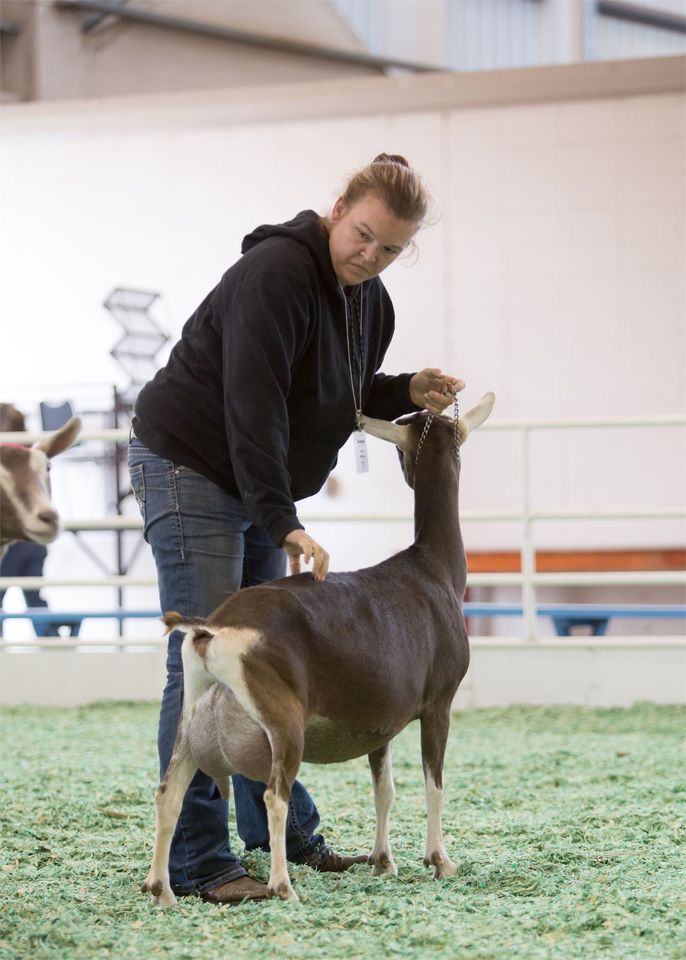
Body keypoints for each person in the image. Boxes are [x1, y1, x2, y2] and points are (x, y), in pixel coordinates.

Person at [128, 153, 463, 905]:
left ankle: (283, 833)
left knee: (264, 663)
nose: (370, 256)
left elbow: (335, 393)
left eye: (390, 250)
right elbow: (254, 404)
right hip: (188, 462)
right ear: (339, 206)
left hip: (252, 478)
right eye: (364, 235)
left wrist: (403, 388)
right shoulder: (275, 276)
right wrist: (281, 519)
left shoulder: (370, 302)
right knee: (204, 663)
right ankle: (195, 862)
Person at [0, 403, 58, 639]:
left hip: (15, 543)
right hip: (33, 542)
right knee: (35, 600)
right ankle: (52, 645)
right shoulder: (35, 460)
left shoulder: (9, 462)